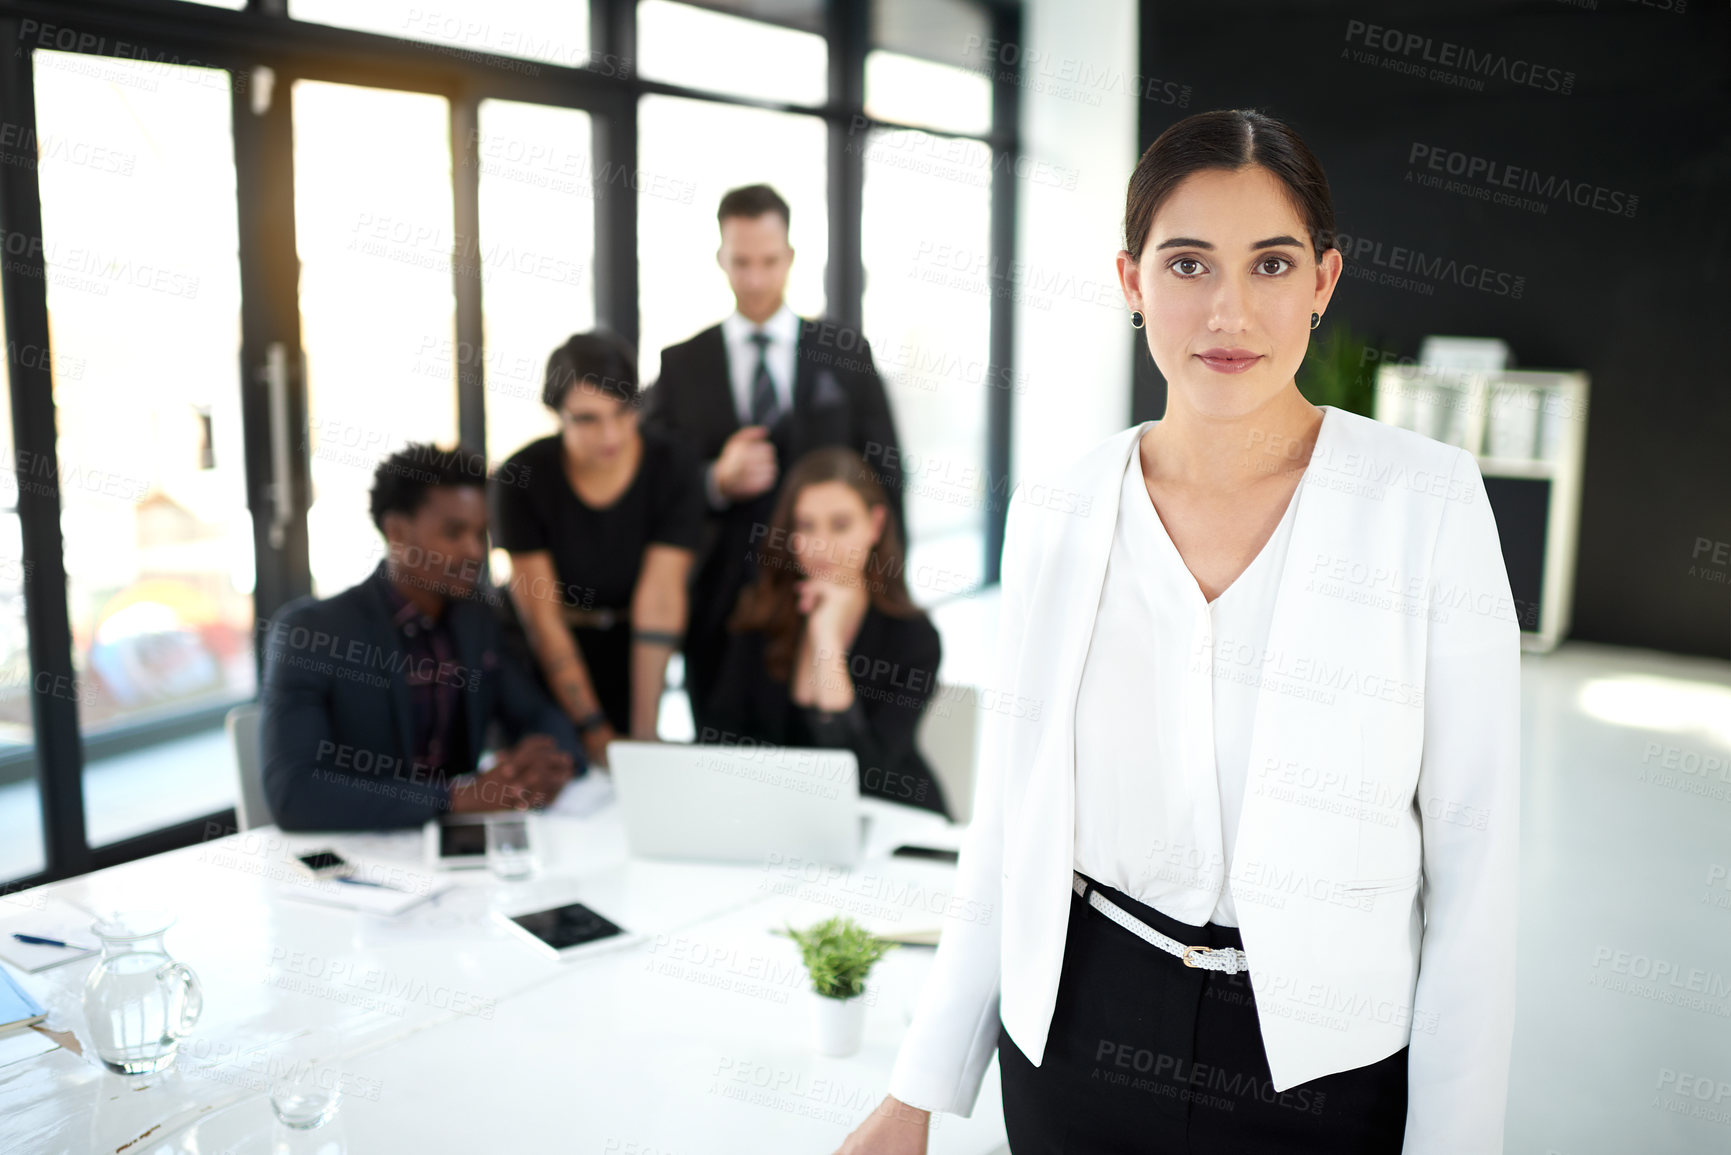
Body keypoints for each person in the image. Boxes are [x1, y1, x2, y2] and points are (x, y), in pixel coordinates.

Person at [836, 109, 1522, 1153]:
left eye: (1273, 264)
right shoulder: (1057, 512)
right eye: (1189, 263)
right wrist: (917, 1088)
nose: (1229, 310)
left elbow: (1477, 869)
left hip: (1322, 1064)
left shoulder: (1425, 505)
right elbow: (1012, 824)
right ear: (1130, 282)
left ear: (1324, 284)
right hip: (1078, 1038)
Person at [642, 183, 908, 741]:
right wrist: (714, 480)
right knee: (724, 746)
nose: (756, 279)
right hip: (720, 603)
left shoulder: (845, 353)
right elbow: (653, 484)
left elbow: (887, 476)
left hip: (830, 589)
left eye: (769, 261)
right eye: (741, 262)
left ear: (789, 256)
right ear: (721, 258)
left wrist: (886, 586)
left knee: (836, 737)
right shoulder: (681, 365)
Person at [262, 443, 583, 831]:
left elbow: (541, 716)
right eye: (454, 532)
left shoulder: (479, 618)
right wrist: (454, 799)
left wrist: (543, 765)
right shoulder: (311, 631)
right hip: (361, 860)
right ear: (396, 531)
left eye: (481, 533)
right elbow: (294, 794)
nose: (474, 551)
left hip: (462, 857)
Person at [491, 331, 704, 769]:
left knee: (638, 765)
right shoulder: (522, 477)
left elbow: (660, 601)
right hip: (543, 655)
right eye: (587, 419)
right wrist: (592, 729)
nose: (610, 434)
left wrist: (643, 736)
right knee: (555, 766)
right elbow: (543, 619)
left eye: (623, 412)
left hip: (634, 647)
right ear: (557, 413)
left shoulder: (673, 465)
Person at [704, 447, 945, 815]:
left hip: (892, 827)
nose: (821, 546)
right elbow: (720, 739)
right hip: (780, 823)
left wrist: (827, 642)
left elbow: (866, 777)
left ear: (875, 526)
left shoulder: (914, 638)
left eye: (840, 524)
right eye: (806, 525)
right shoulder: (761, 614)